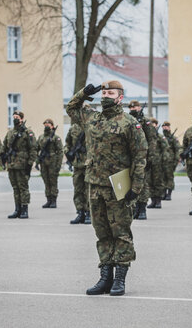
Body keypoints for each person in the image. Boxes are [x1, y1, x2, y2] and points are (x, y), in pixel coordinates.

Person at [67, 80, 147, 296]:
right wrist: (84, 93)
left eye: (110, 93)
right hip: (94, 185)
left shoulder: (129, 123)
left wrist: (136, 187)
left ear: (120, 97)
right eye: (103, 93)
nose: (105, 96)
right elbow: (71, 108)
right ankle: (105, 277)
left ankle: (120, 278)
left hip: (118, 186)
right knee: (101, 232)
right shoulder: (92, 118)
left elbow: (140, 157)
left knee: (120, 233)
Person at [2, 111, 37, 219]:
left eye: (17, 117)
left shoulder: (28, 132)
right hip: (12, 164)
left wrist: (30, 164)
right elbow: (5, 146)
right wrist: (2, 157)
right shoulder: (10, 132)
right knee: (15, 188)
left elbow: (33, 149)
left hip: (22, 164)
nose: (15, 119)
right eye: (14, 117)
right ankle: (17, 209)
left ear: (22, 119)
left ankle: (24, 209)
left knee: (23, 188)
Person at [128, 100, 157, 220]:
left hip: (142, 156)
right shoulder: (127, 120)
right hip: (130, 157)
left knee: (143, 183)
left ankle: (142, 208)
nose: (133, 109)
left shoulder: (146, 122)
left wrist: (150, 157)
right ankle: (134, 208)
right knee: (131, 183)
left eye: (135, 107)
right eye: (131, 107)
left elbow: (152, 140)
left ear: (140, 108)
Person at [65, 122, 90, 224]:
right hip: (77, 163)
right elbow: (67, 144)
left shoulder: (92, 125)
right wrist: (67, 153)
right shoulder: (73, 128)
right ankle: (80, 213)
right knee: (78, 189)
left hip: (89, 163)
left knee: (88, 190)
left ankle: (89, 213)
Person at [37, 119, 63, 209]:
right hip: (43, 161)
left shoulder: (56, 137)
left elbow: (60, 152)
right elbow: (36, 149)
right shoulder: (41, 137)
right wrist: (37, 161)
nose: (46, 126)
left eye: (48, 124)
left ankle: (53, 200)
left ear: (52, 126)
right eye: (45, 124)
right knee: (46, 181)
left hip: (52, 161)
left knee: (53, 181)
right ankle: (48, 200)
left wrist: (58, 165)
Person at [147, 117, 169, 209]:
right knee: (149, 182)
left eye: (154, 124)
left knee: (158, 182)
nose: (152, 126)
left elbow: (165, 149)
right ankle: (153, 200)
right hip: (149, 162)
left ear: (156, 125)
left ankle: (158, 200)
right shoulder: (147, 137)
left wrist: (164, 161)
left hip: (158, 163)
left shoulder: (160, 137)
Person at [161, 121, 181, 201]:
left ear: (169, 127)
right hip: (162, 160)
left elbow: (177, 149)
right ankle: (164, 193)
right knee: (162, 177)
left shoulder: (173, 138)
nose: (165, 128)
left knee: (169, 178)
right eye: (164, 127)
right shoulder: (161, 137)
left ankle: (169, 193)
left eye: (166, 127)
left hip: (170, 161)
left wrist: (176, 161)